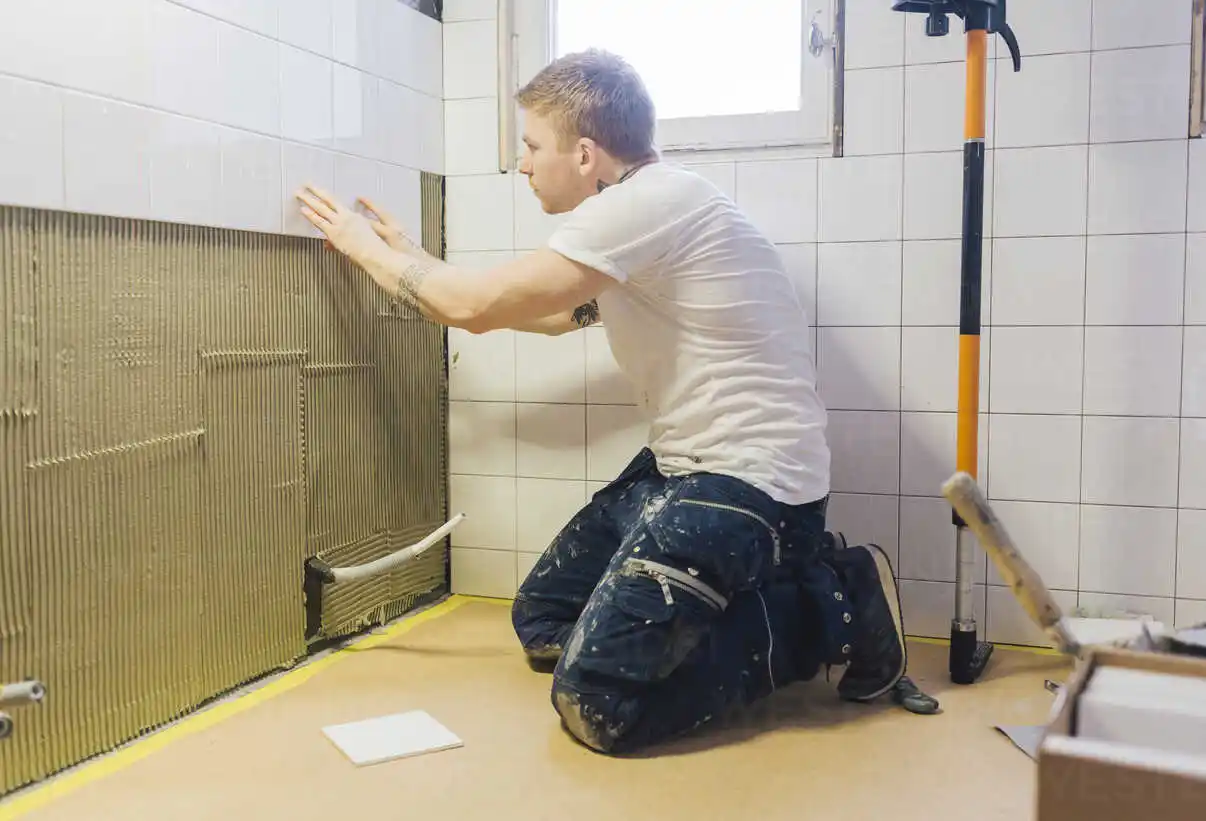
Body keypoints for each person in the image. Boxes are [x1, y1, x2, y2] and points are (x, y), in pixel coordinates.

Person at [296, 48, 916, 755]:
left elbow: (472, 309)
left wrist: (362, 247)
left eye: (532, 146)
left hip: (754, 489)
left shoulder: (644, 205)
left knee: (596, 704)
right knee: (543, 619)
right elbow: (546, 313)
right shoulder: (647, 215)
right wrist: (410, 255)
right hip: (686, 470)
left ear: (585, 153)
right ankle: (736, 600)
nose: (523, 164)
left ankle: (830, 607)